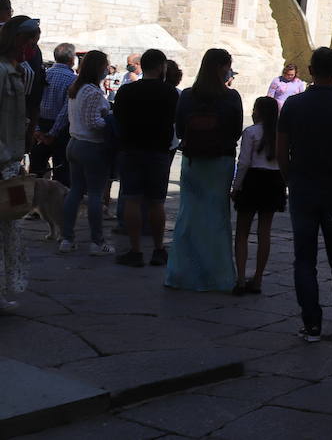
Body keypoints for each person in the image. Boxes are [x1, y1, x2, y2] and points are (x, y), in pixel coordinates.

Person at [278, 46, 332, 341]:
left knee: (304, 258)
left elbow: (281, 150)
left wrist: (291, 177)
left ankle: (312, 323)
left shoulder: (293, 105)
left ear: (311, 71)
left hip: (303, 185)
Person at [166, 48, 242, 291]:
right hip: (220, 162)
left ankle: (181, 274)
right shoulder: (232, 97)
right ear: (222, 67)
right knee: (217, 218)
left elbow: (179, 130)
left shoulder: (188, 95)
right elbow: (236, 131)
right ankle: (217, 277)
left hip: (194, 162)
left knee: (188, 216)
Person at [111, 48, 178, 267]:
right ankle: (159, 249)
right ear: (161, 67)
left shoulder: (126, 91)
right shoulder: (170, 92)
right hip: (158, 151)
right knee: (156, 202)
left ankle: (136, 250)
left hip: (131, 150)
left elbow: (117, 120)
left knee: (132, 199)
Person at [0, 16, 41, 306]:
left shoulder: (18, 71)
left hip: (11, 163)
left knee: (10, 225)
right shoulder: (2, 71)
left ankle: (3, 291)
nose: (31, 46)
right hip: (2, 160)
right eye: (28, 40)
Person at [59, 48, 114, 256]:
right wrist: (109, 118)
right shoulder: (92, 91)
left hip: (74, 143)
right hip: (91, 145)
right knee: (95, 195)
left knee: (75, 192)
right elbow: (94, 123)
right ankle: (97, 242)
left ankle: (67, 238)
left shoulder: (76, 88)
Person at [231, 96, 286, 295]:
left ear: (258, 111)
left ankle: (240, 278)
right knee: (264, 232)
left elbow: (243, 162)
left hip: (253, 180)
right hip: (273, 181)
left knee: (242, 231)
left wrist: (236, 186)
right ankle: (258, 278)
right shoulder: (280, 134)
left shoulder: (251, 132)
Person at [31, 41, 76, 185]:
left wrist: (36, 129)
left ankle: (35, 202)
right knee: (61, 173)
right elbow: (65, 110)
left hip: (41, 124)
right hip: (60, 129)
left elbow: (34, 102)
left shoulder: (45, 74)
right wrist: (53, 133)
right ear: (71, 60)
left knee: (36, 171)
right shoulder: (73, 79)